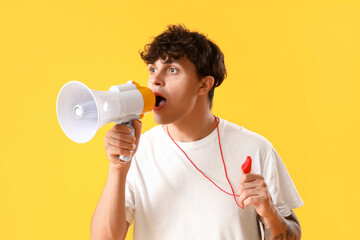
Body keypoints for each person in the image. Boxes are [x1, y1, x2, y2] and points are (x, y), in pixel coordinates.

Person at [91, 24, 304, 240]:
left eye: (172, 70)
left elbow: (292, 235)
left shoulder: (255, 149)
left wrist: (269, 212)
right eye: (153, 69)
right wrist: (118, 167)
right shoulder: (139, 151)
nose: (155, 79)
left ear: (203, 85)